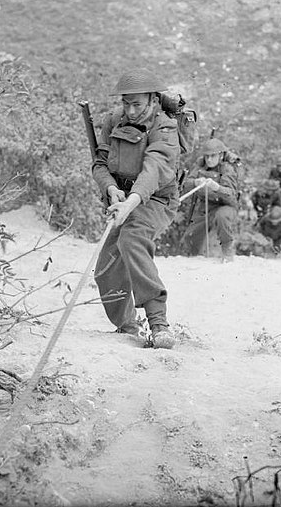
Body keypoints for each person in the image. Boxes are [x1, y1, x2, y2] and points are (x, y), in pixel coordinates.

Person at [92, 69, 181, 349]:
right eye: (126, 103)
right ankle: (128, 326)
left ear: (153, 101)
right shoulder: (112, 121)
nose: (130, 111)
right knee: (106, 268)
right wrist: (110, 189)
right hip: (122, 199)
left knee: (132, 239)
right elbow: (100, 164)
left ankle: (159, 324)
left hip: (155, 200)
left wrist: (130, 202)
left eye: (137, 104)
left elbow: (154, 169)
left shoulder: (165, 128)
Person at [181, 137, 239, 262]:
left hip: (226, 206)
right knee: (191, 235)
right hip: (206, 206)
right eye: (207, 156)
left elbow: (231, 195)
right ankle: (191, 257)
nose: (209, 159)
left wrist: (217, 187)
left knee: (222, 217)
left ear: (220, 155)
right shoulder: (200, 166)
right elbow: (185, 184)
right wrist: (196, 182)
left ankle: (227, 252)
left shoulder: (227, 169)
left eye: (213, 156)